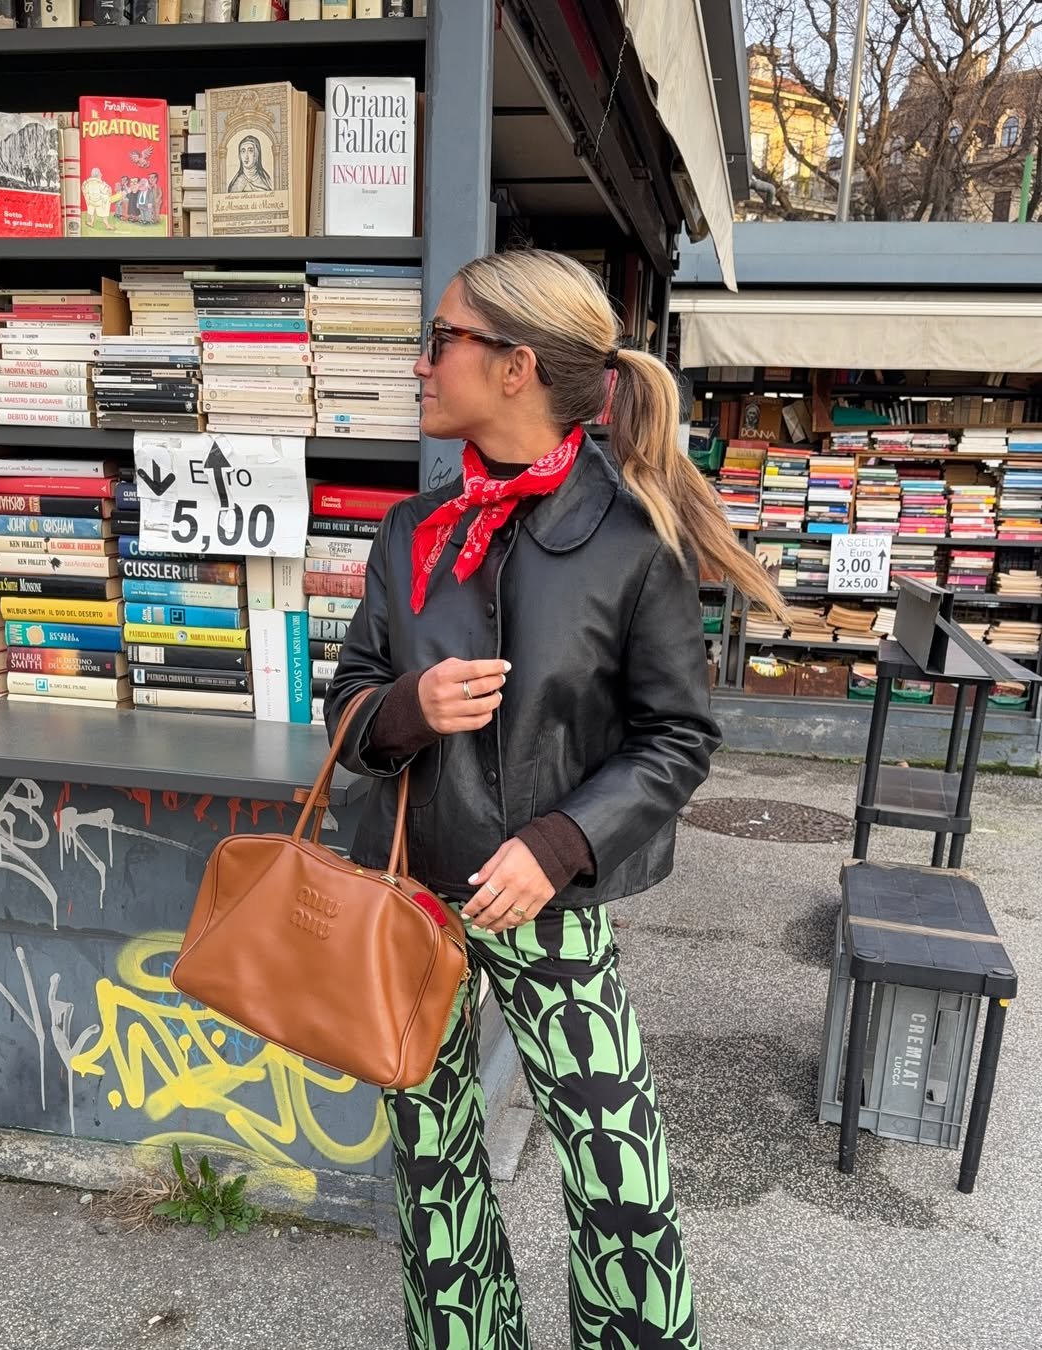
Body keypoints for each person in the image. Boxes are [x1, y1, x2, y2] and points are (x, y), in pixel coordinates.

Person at [325, 249, 784, 1350]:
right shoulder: (408, 535)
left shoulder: (636, 539)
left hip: (552, 905)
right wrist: (406, 707)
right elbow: (344, 704)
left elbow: (679, 737)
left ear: (517, 366)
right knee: (434, 1177)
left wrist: (561, 841)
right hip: (412, 901)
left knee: (621, 1183)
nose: (422, 363)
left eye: (442, 341)